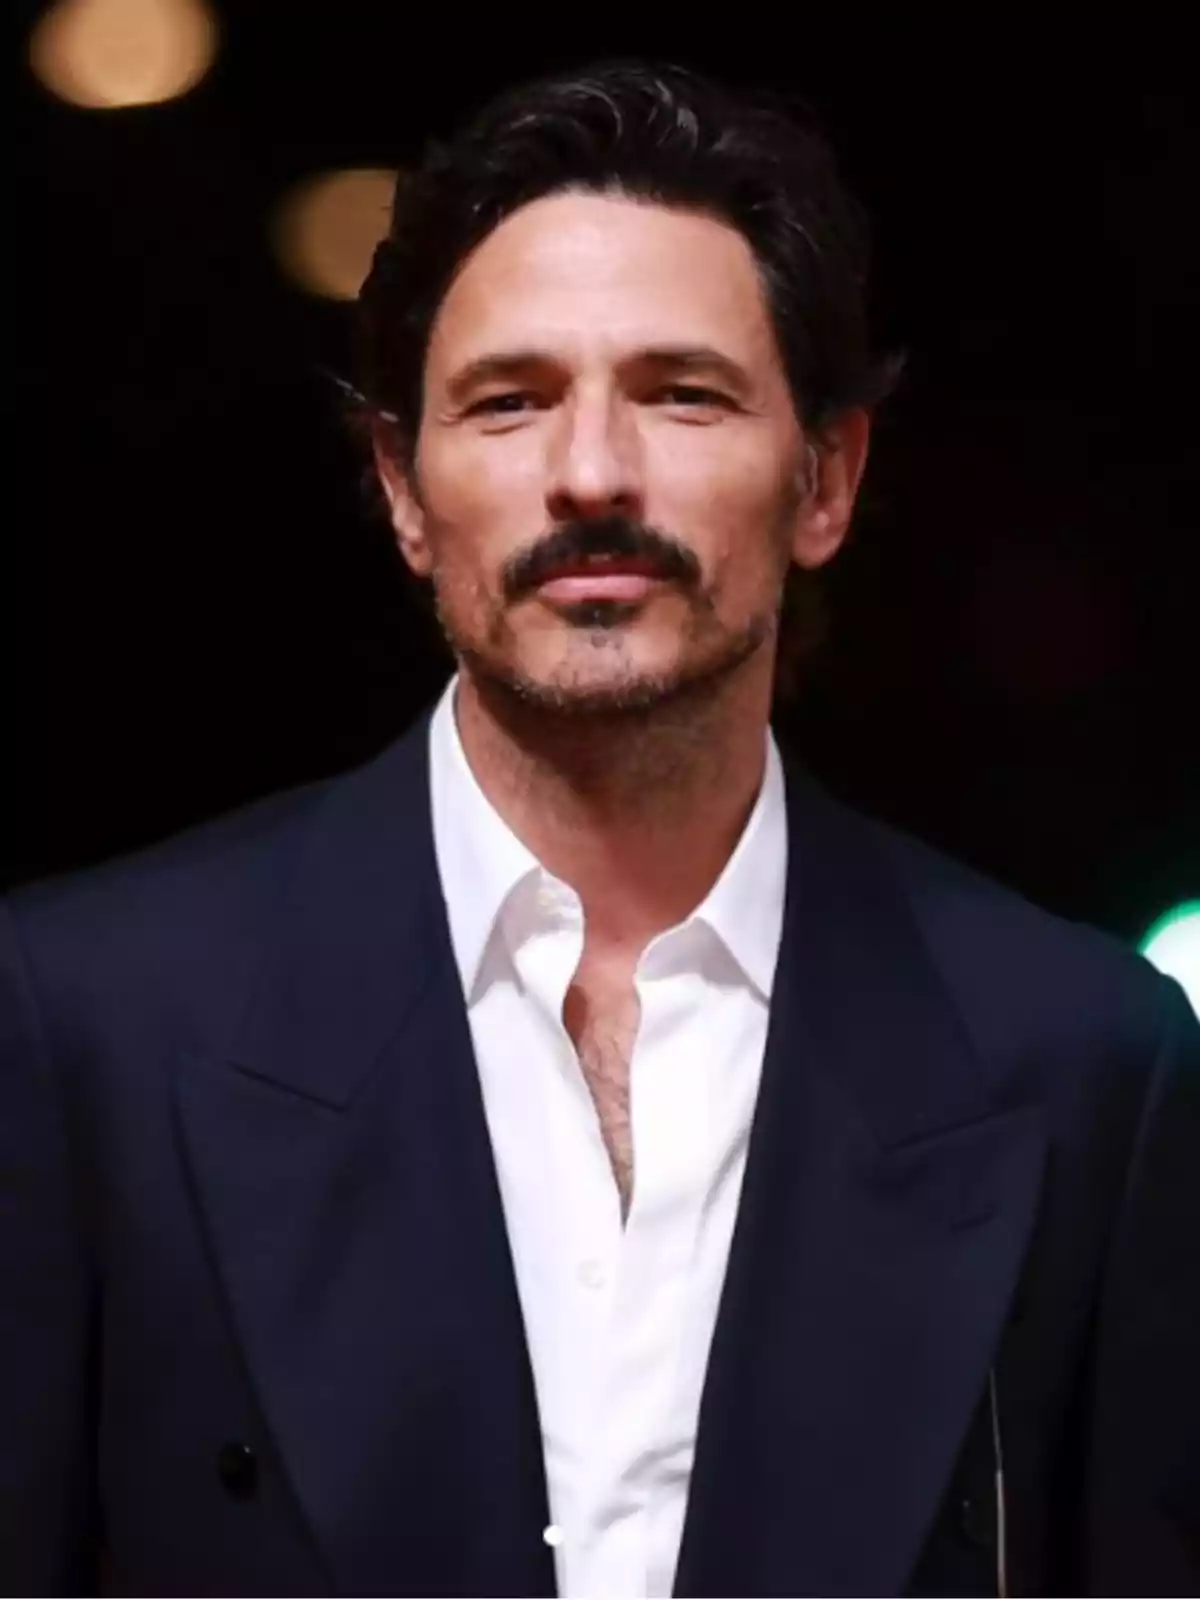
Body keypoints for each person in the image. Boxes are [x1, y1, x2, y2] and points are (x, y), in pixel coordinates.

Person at [2, 59, 1197, 1600]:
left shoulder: (1087, 1068)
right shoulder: (85, 1025)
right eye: (509, 402)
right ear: (403, 489)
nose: (590, 473)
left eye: (681, 393)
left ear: (826, 476)